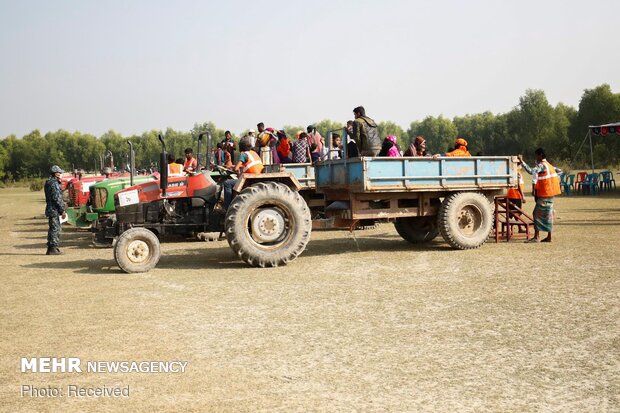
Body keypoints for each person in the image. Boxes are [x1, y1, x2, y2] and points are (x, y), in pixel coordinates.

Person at [519, 148, 561, 243]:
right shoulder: (549, 165)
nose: (536, 157)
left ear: (541, 155)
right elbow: (560, 171)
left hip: (544, 194)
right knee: (549, 214)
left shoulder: (542, 166)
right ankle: (549, 237)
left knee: (536, 214)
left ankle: (536, 237)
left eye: (537, 155)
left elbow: (530, 171)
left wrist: (522, 162)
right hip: (550, 193)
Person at [223, 139, 264, 209]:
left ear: (241, 147)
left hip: (250, 180)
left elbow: (236, 169)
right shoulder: (254, 153)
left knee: (227, 183)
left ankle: (227, 208)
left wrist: (233, 168)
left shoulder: (244, 154)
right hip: (258, 177)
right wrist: (233, 166)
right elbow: (249, 164)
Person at [44, 165, 66, 255]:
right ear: (56, 173)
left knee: (52, 228)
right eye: (60, 173)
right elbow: (57, 198)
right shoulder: (54, 184)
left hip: (51, 209)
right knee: (55, 229)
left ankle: (52, 248)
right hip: (54, 209)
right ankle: (52, 248)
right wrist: (62, 210)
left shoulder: (49, 182)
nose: (61, 174)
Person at [506, 161, 526, 231]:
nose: (521, 166)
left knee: (513, 212)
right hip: (516, 195)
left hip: (511, 194)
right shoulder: (517, 173)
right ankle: (510, 229)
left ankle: (518, 227)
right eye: (520, 165)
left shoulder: (512, 172)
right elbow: (518, 185)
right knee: (514, 212)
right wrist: (522, 195)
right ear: (517, 165)